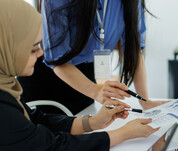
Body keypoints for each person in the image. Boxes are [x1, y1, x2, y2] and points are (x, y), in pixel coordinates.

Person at [0, 0, 159, 151]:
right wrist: (122, 134)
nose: (41, 53)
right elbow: (45, 146)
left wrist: (92, 123)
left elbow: (35, 121)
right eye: (33, 48)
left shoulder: (7, 90)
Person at [18, 0, 167, 114]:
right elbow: (57, 60)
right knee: (46, 143)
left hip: (84, 77)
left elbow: (133, 51)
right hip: (46, 76)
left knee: (84, 139)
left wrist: (145, 101)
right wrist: (96, 92)